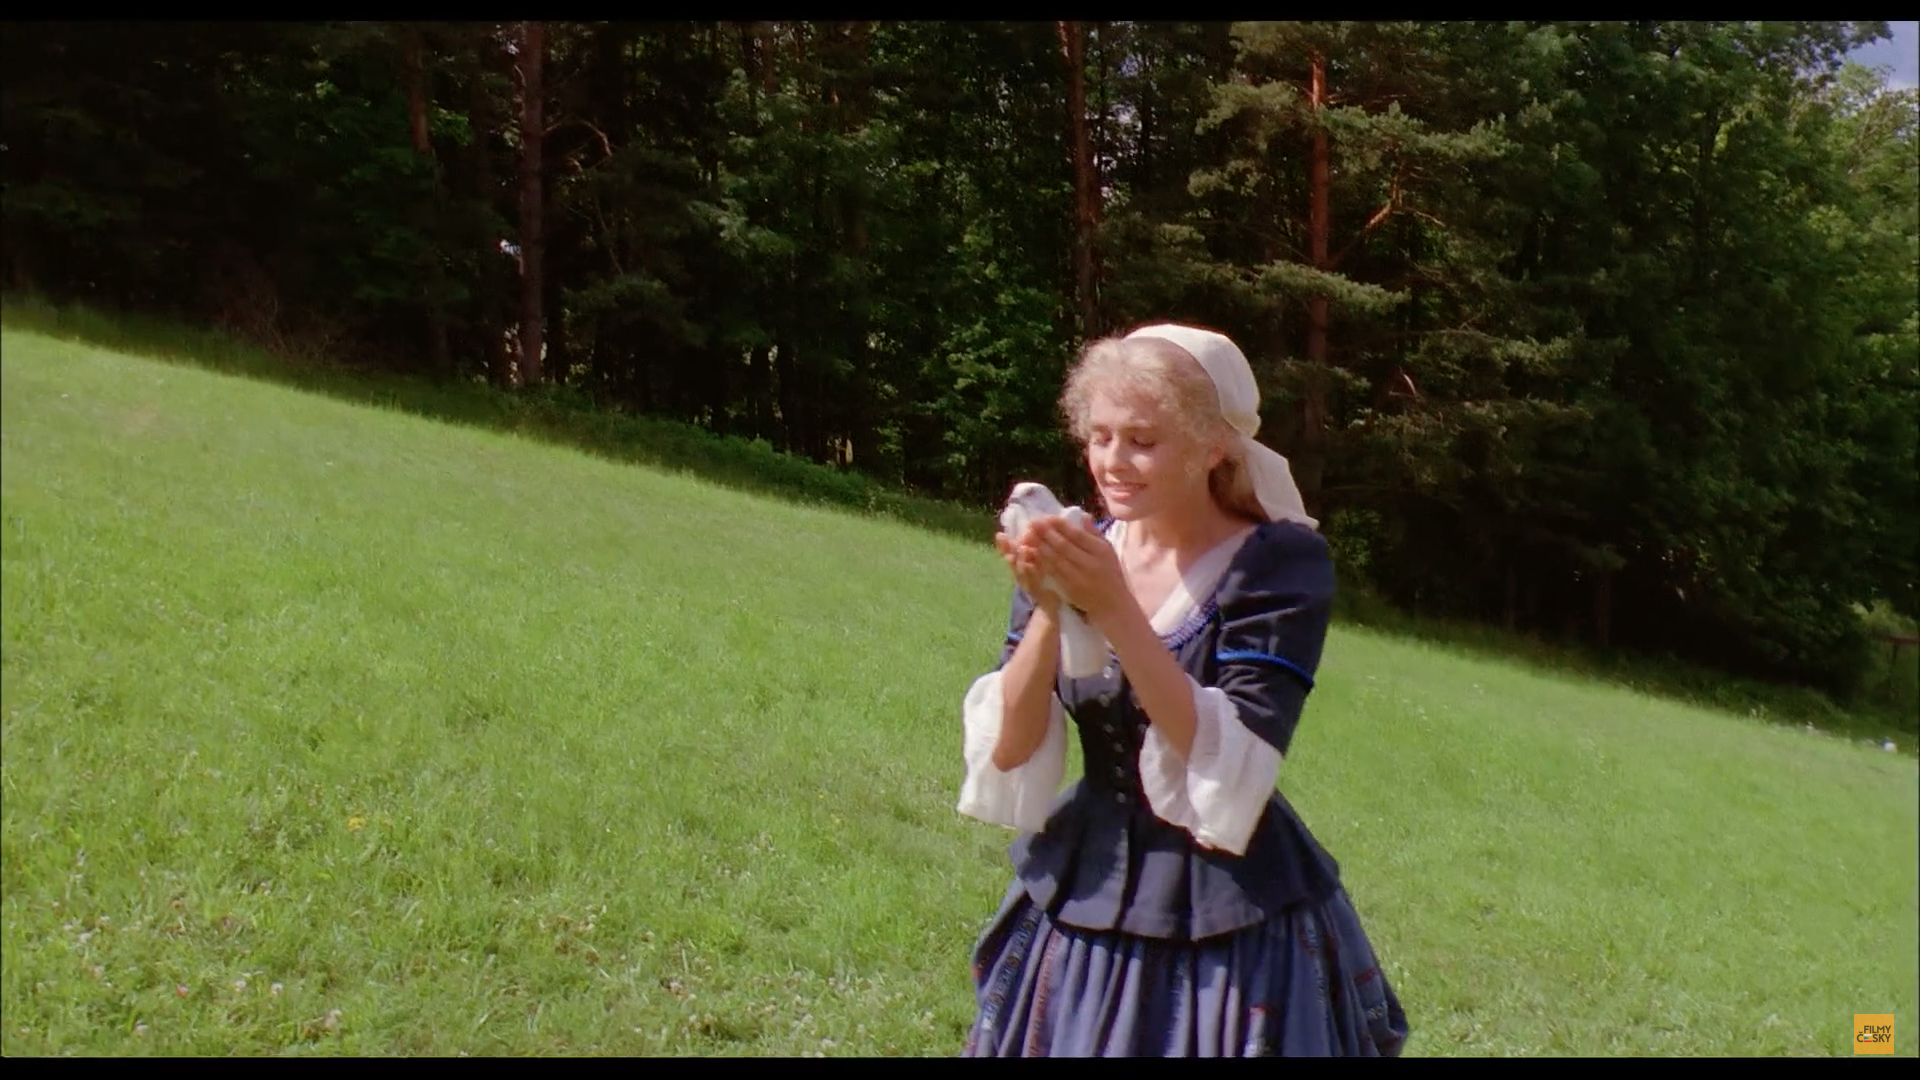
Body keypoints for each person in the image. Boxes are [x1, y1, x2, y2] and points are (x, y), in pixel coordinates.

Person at [956, 323, 1409, 1057]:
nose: (1113, 461)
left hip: (1233, 920)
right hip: (1085, 895)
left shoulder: (1277, 565)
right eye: (1100, 435)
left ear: (1216, 444)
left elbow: (1231, 763)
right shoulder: (1078, 547)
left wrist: (1110, 607)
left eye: (1142, 439)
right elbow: (1009, 752)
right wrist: (1050, 606)